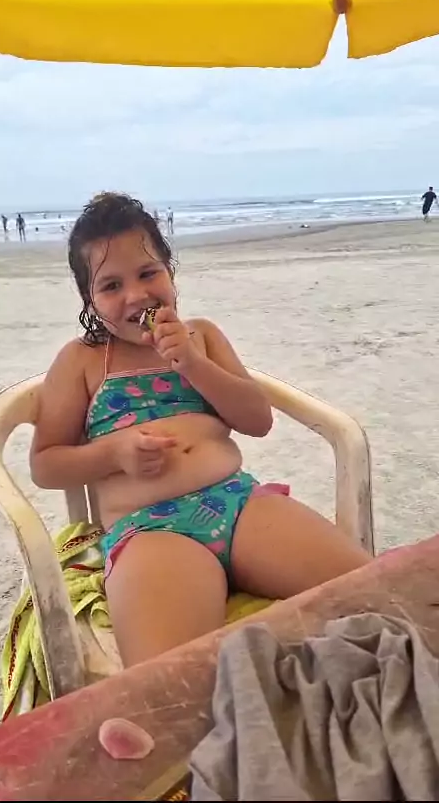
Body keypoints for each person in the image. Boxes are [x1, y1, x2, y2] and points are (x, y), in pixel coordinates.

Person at [30, 192, 370, 667]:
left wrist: (191, 362)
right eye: (111, 285)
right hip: (149, 529)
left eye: (148, 273)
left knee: (373, 593)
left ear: (169, 271)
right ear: (90, 299)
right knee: (169, 675)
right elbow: (45, 464)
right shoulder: (81, 360)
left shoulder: (202, 336)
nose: (136, 295)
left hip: (239, 504)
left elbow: (257, 420)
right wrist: (114, 453)